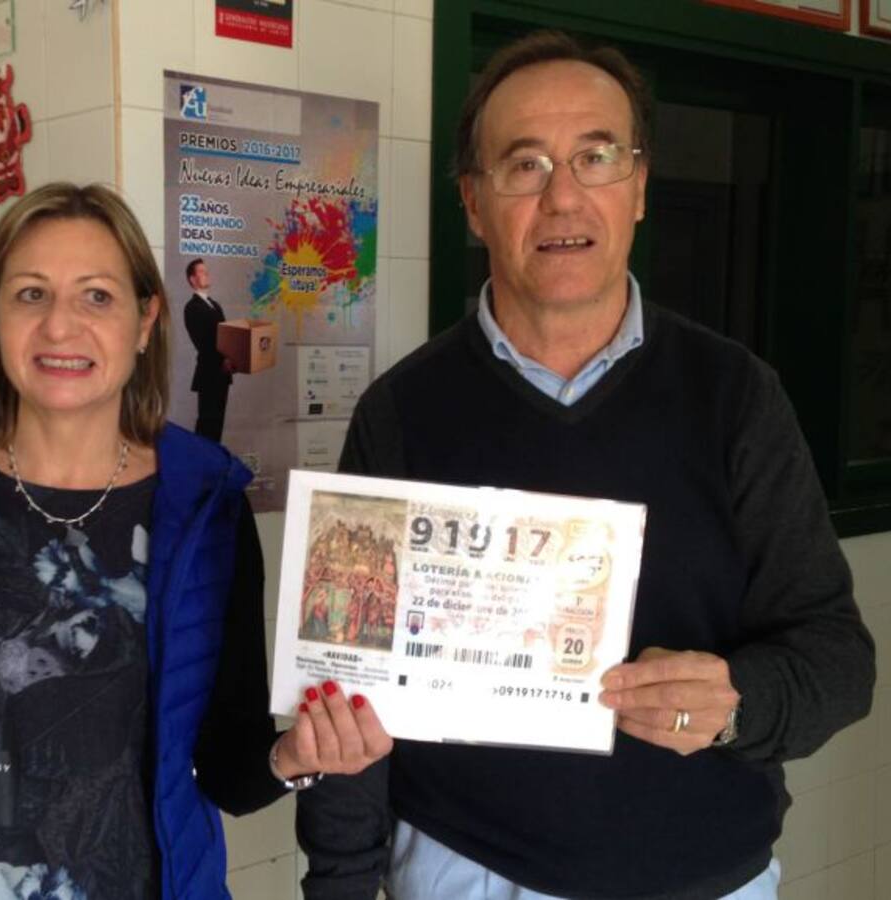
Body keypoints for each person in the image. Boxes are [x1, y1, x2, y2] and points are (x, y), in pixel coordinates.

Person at [296, 31, 875, 900]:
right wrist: (340, 882)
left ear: (639, 187)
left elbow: (839, 659)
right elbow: (346, 691)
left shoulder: (736, 396)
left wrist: (737, 702)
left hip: (706, 878)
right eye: (524, 165)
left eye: (596, 157)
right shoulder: (402, 412)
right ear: (474, 202)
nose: (562, 196)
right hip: (466, 872)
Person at [0, 183, 391, 900]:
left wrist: (295, 756)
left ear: (145, 319)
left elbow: (225, 768)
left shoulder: (206, 506)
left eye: (97, 297)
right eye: (31, 294)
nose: (59, 326)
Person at [183, 258, 234, 442]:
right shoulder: (192, 307)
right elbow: (203, 342)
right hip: (209, 373)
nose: (207, 274)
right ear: (192, 279)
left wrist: (232, 357)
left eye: (207, 271)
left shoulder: (215, 305)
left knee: (217, 424)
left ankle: (212, 459)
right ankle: (201, 460)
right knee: (207, 424)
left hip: (222, 374)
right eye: (202, 272)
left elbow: (225, 336)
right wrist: (222, 360)